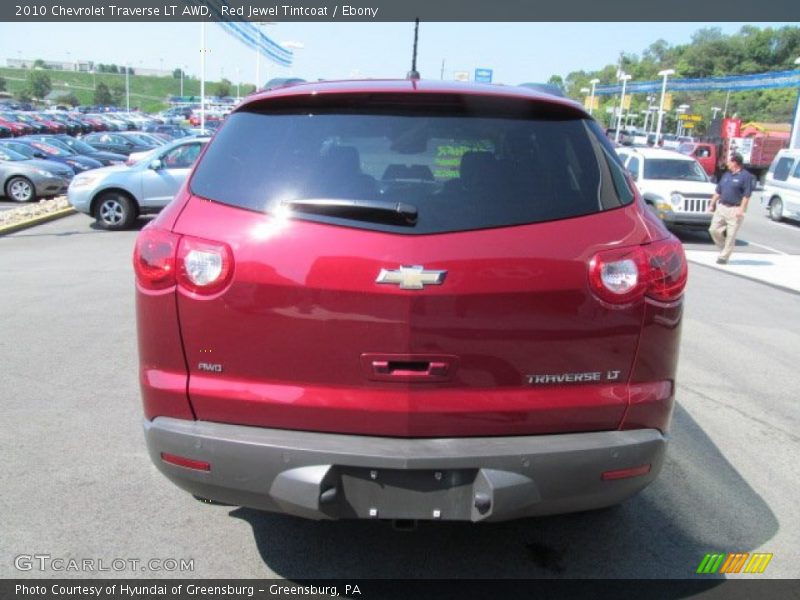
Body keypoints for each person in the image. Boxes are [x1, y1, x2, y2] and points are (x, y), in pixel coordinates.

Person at [707, 153, 755, 265]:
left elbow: (746, 195)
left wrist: (741, 209)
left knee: (731, 234)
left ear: (735, 163)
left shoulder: (746, 176)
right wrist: (711, 204)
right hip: (722, 207)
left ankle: (724, 256)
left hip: (735, 209)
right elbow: (718, 191)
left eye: (729, 161)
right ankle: (725, 248)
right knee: (713, 229)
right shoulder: (726, 175)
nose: (727, 163)